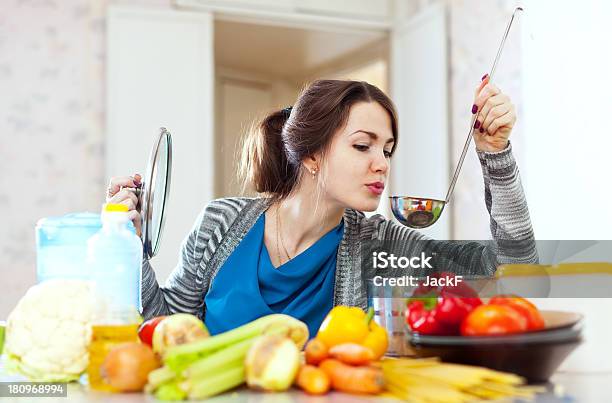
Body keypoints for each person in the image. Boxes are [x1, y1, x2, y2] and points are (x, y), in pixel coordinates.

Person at [106, 78, 537, 337]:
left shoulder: (378, 242)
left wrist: (494, 155)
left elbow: (520, 275)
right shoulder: (222, 221)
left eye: (388, 150)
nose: (381, 163)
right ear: (311, 156)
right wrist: (128, 245)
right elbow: (163, 327)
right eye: (362, 145)